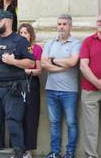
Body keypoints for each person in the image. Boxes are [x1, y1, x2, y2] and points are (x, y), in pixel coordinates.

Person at [0, 11, 34, 158]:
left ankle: (18, 153)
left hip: (13, 88)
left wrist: (14, 62)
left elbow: (31, 62)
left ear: (8, 21)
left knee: (13, 122)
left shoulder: (20, 41)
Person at [41, 14, 81, 158]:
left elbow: (72, 62)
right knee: (54, 123)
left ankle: (70, 154)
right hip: (51, 89)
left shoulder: (76, 43)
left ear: (70, 26)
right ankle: (55, 153)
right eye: (59, 24)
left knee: (71, 123)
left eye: (64, 24)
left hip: (69, 91)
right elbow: (43, 63)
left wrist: (53, 60)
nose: (61, 27)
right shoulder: (50, 43)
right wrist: (61, 66)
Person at [18, 23, 43, 158]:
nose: (23, 35)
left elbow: (39, 70)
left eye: (26, 33)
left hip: (31, 84)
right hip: (17, 85)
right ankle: (18, 149)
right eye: (21, 33)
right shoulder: (15, 48)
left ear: (31, 35)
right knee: (17, 116)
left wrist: (24, 71)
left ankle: (28, 150)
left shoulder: (37, 48)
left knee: (31, 117)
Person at [79, 15, 101, 158]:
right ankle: (91, 156)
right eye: (99, 20)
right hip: (90, 91)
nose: (99, 22)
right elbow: (83, 65)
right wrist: (98, 83)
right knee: (90, 128)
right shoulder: (88, 41)